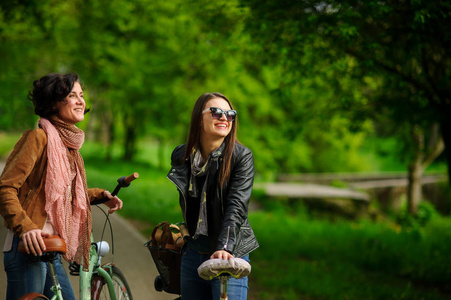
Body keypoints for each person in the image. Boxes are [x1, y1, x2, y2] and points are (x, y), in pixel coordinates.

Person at [0, 73, 123, 300]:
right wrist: (26, 227)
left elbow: (62, 192)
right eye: (72, 95)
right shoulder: (38, 138)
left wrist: (99, 195)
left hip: (52, 250)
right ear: (54, 102)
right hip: (28, 246)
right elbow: (6, 188)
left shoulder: (69, 147)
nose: (80, 101)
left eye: (82, 95)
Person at [167, 92, 259, 300]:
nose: (224, 118)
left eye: (230, 114)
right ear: (199, 119)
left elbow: (236, 206)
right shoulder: (182, 156)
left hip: (229, 254)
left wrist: (224, 247)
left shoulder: (241, 157)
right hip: (193, 253)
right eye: (216, 112)